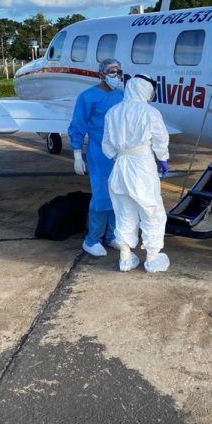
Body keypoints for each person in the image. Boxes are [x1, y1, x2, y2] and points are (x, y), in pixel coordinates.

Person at [102, 75, 171, 273]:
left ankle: (125, 258)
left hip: (120, 167)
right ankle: (152, 258)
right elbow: (160, 138)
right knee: (151, 211)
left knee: (124, 212)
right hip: (142, 167)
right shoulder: (151, 112)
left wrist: (120, 156)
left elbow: (106, 145)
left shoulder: (113, 112)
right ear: (145, 90)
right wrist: (163, 158)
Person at [68, 58, 125, 257]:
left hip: (119, 154)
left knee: (117, 195)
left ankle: (111, 235)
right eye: (111, 72)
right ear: (101, 74)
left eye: (118, 72)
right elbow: (78, 125)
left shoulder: (122, 95)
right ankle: (92, 240)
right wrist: (77, 154)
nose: (116, 76)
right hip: (98, 152)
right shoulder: (88, 97)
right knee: (101, 196)